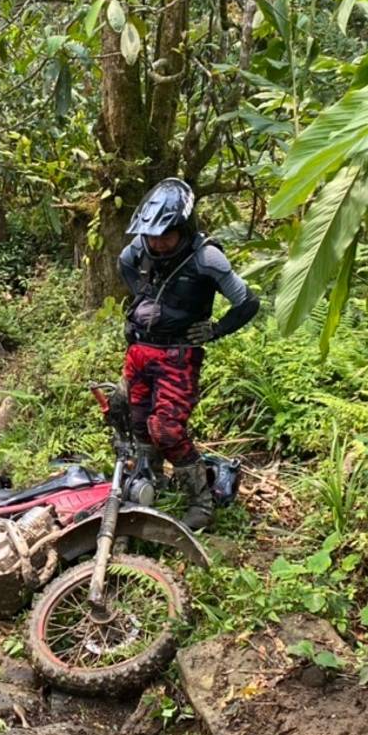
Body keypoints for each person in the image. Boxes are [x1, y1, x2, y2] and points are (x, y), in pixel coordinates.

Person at [118, 178, 260, 531]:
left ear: (183, 228)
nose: (157, 243)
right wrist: (142, 301)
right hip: (139, 351)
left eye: (165, 235)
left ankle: (201, 500)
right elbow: (124, 266)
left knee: (165, 429)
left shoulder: (206, 258)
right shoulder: (139, 250)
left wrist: (215, 329)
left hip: (177, 356)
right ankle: (151, 482)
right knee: (137, 423)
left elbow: (247, 302)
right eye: (152, 236)